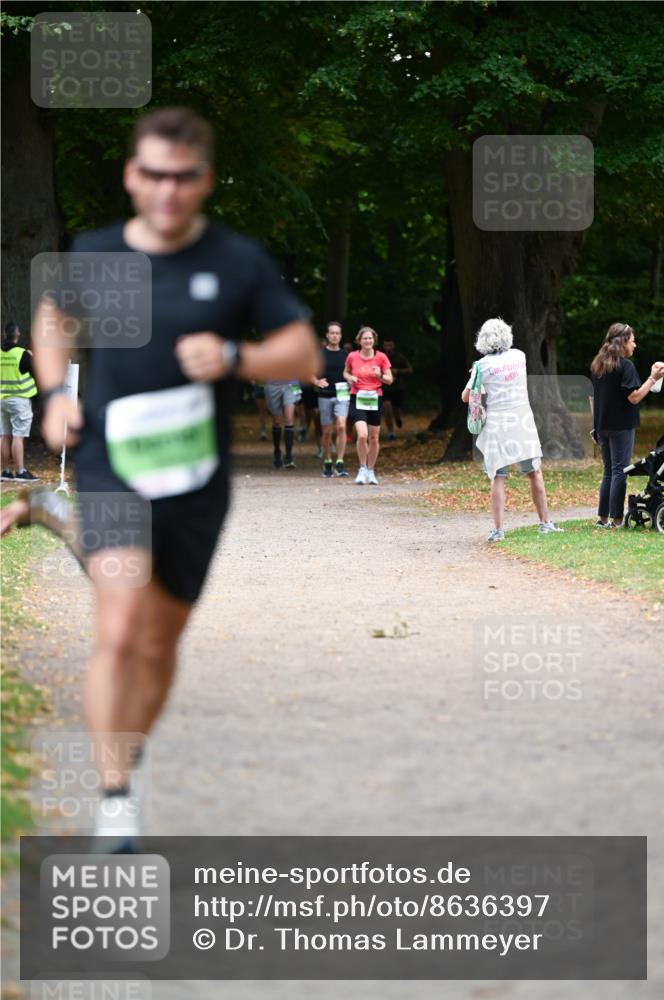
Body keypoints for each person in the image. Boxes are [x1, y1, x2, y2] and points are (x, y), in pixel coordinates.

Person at [2, 107, 318, 849]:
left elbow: (302, 351)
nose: (167, 192)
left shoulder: (235, 261)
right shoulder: (100, 253)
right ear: (131, 176)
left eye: (182, 177)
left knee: (157, 644)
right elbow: (51, 320)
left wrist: (238, 358)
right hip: (112, 465)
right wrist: (54, 399)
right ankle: (115, 797)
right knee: (116, 630)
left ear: (203, 180)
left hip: (195, 478)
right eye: (152, 175)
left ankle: (128, 751)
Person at [461, 317, 563, 542]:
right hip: (522, 421)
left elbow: (466, 397)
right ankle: (545, 523)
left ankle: (498, 530)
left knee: (498, 476)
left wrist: (474, 377)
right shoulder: (520, 356)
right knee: (534, 472)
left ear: (483, 340)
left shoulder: (481, 366)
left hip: (498, 425)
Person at [590, 323, 664, 528]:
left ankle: (603, 518)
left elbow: (593, 398)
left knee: (608, 471)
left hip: (603, 426)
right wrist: (653, 379)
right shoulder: (625, 366)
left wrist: (594, 426)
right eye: (632, 340)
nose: (635, 344)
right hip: (621, 426)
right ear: (623, 342)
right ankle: (616, 520)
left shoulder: (598, 365)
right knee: (619, 472)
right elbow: (634, 397)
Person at [344, 326, 393, 485]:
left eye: (370, 338)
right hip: (357, 397)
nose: (368, 341)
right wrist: (350, 378)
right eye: (365, 338)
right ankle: (362, 468)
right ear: (359, 340)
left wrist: (379, 375)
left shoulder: (381, 357)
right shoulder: (352, 356)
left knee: (373, 437)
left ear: (374, 340)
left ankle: (371, 471)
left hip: (374, 398)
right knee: (362, 435)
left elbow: (389, 380)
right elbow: (345, 372)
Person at [0, 322, 40, 481]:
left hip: (1, 400)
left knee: (4, 435)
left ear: (4, 334)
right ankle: (21, 472)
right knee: (18, 436)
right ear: (18, 335)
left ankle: (5, 472)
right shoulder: (23, 354)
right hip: (19, 400)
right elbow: (38, 372)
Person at [312, 321, 350, 477]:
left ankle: (340, 462)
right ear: (327, 335)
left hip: (342, 395)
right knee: (326, 431)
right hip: (325, 396)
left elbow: (352, 372)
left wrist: (351, 379)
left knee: (341, 425)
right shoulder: (319, 355)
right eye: (332, 333)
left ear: (340, 336)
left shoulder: (347, 355)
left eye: (337, 333)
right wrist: (317, 381)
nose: (335, 335)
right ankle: (327, 460)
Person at [265, 377, 302, 468]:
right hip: (273, 384)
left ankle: (288, 456)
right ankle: (277, 451)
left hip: (291, 383)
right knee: (276, 421)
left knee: (289, 419)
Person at [381, 338, 412, 440]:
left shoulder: (400, 358)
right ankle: (391, 432)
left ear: (393, 346)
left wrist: (397, 371)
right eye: (386, 345)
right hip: (385, 388)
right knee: (386, 406)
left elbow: (410, 370)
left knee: (396, 409)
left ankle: (398, 417)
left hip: (398, 388)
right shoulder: (380, 357)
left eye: (390, 345)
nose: (388, 348)